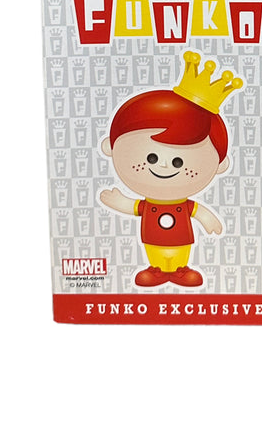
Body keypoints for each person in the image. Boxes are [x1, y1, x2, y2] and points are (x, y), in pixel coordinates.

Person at [99, 50, 240, 288]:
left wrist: (207, 218)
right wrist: (120, 202)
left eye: (177, 162)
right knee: (155, 253)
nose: (163, 165)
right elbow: (134, 207)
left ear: (219, 164)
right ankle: (155, 269)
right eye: (152, 157)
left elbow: (198, 211)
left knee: (180, 254)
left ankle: (180, 269)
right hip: (153, 241)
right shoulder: (148, 205)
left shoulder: (185, 206)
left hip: (181, 241)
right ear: (111, 147)